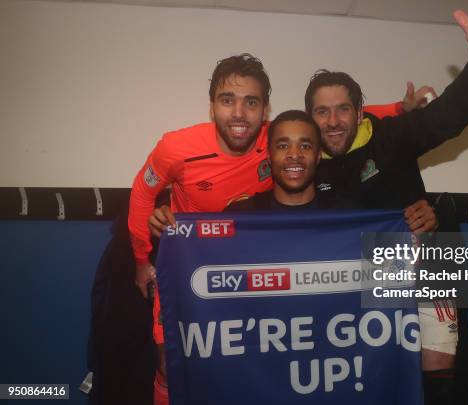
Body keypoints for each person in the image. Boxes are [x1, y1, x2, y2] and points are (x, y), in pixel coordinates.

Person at [130, 54, 434, 404]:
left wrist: (400, 108)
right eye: (228, 101)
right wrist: (143, 254)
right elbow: (142, 192)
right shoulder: (176, 148)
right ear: (212, 106)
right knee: (173, 364)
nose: (240, 114)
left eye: (252, 102)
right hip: (193, 256)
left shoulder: (274, 140)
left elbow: (335, 119)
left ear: (265, 110)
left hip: (254, 247)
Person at [302, 10, 468, 405]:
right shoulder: (305, 165)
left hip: (425, 282)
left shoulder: (394, 136)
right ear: (311, 118)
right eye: (322, 112)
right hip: (355, 305)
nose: (333, 121)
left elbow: (446, 119)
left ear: (359, 112)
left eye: (342, 110)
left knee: (440, 386)